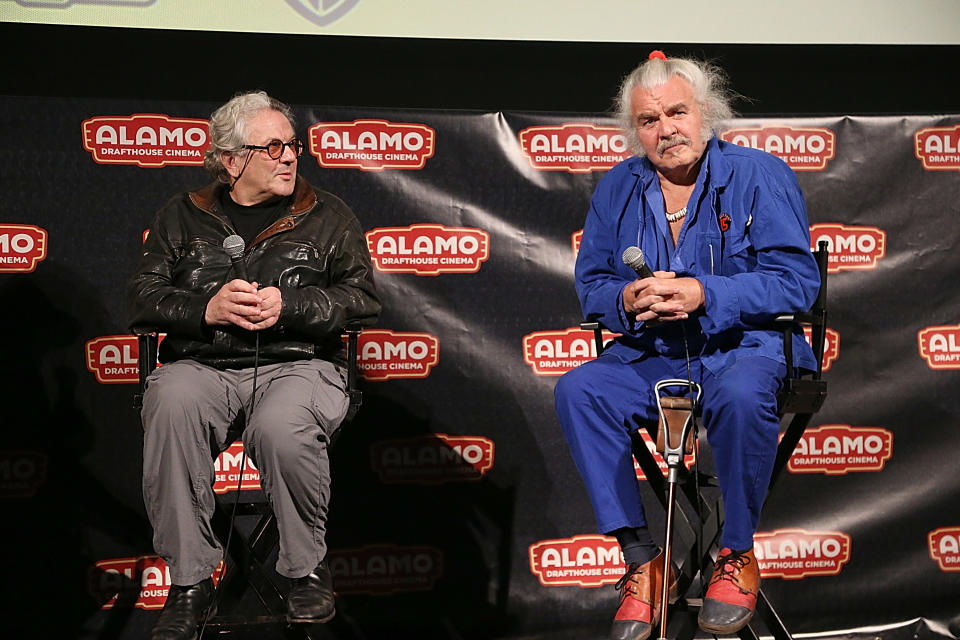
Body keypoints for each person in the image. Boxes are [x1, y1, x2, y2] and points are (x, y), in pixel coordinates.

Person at [554, 51, 819, 640]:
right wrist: (627, 301)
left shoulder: (759, 174)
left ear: (706, 113)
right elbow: (593, 286)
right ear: (635, 131)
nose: (666, 129)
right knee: (580, 390)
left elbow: (798, 283)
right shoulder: (617, 188)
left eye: (677, 112)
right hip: (653, 354)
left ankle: (736, 554)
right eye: (649, 120)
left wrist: (707, 293)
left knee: (743, 392)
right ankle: (643, 561)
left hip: (747, 346)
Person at [127, 90, 381, 640]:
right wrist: (205, 309)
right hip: (202, 364)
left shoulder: (328, 215)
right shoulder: (182, 214)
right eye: (273, 147)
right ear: (231, 159)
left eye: (292, 145)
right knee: (171, 403)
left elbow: (361, 299)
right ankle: (190, 583)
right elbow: (143, 297)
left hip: (299, 363)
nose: (290, 157)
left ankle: (305, 571)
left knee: (281, 426)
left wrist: (290, 307)